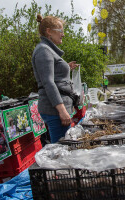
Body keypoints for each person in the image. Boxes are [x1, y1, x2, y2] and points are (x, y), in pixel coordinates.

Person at [32, 14, 79, 143]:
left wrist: (66, 67)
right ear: (49, 32)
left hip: (57, 109)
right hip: (55, 110)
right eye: (60, 31)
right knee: (61, 150)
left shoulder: (48, 50)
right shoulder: (43, 50)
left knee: (64, 148)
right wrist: (62, 110)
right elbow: (48, 82)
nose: (63, 34)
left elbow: (53, 74)